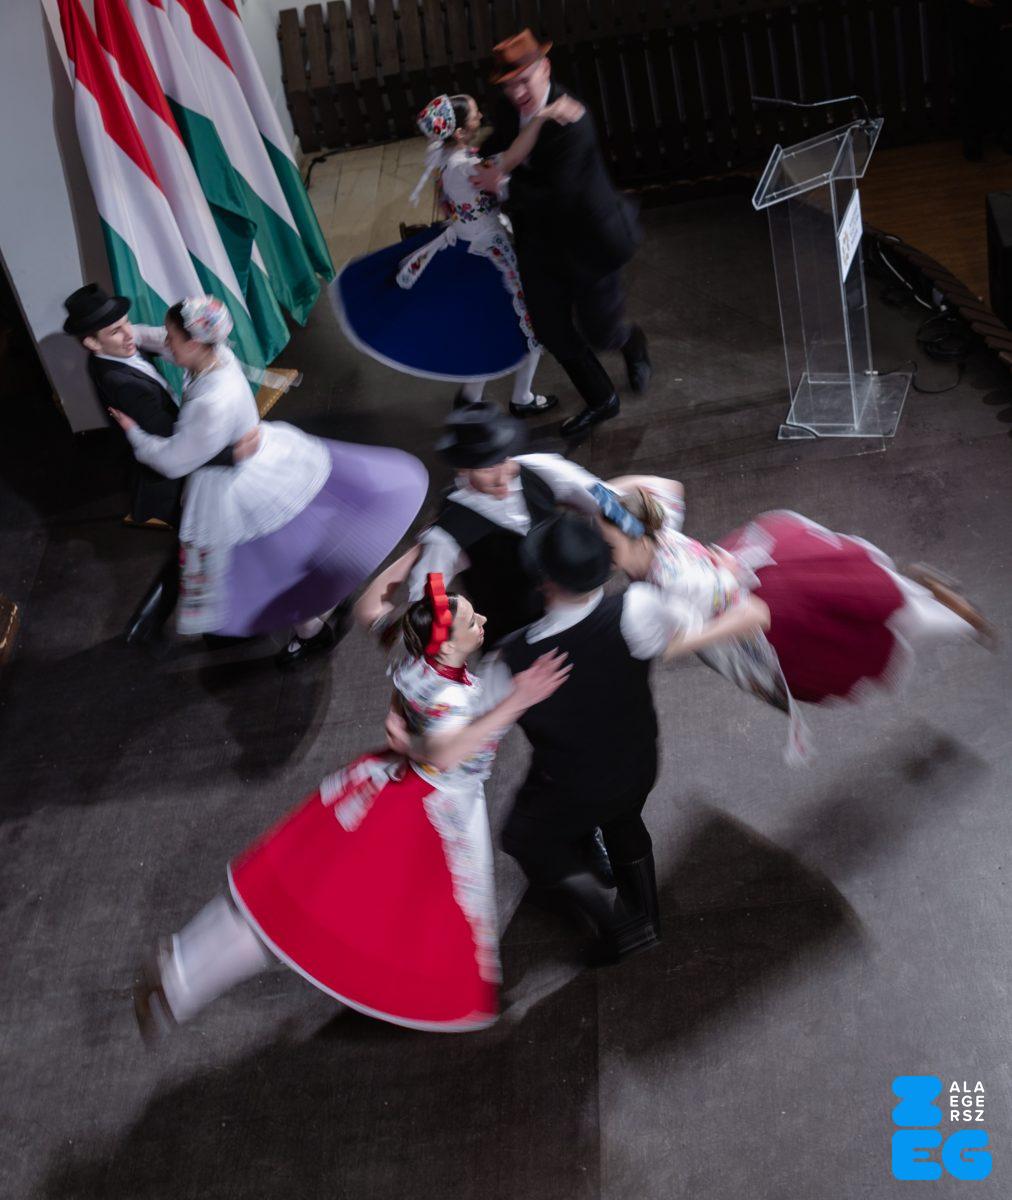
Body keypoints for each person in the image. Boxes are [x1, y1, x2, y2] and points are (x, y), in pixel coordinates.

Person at [132, 574, 570, 1040]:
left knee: (291, 896)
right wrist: (515, 702)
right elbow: (444, 754)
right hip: (427, 813)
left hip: (383, 788)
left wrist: (423, 550)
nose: (481, 620)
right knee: (335, 914)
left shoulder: (415, 658)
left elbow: (369, 610)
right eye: (469, 621)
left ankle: (183, 965)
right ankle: (181, 980)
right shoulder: (447, 695)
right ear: (445, 644)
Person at [389, 515, 683, 964]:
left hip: (572, 786)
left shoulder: (513, 658)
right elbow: (678, 626)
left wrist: (410, 740)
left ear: (545, 581)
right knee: (625, 820)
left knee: (524, 838)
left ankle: (616, 925)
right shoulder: (639, 607)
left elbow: (456, 743)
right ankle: (647, 916)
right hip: (638, 761)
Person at [107, 295, 427, 668]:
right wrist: (131, 335)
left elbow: (173, 460)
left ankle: (312, 631)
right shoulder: (216, 354)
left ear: (193, 343)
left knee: (273, 570)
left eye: (172, 337)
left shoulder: (212, 400)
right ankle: (315, 614)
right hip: (265, 462)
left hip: (236, 489)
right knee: (280, 560)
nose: (166, 342)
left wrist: (134, 434)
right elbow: (160, 340)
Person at [593, 476, 996, 761]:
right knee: (866, 596)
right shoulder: (652, 520)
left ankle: (958, 618)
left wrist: (683, 642)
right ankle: (935, 603)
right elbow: (670, 486)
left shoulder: (679, 581)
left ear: (635, 538)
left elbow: (755, 614)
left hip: (776, 611)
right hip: (761, 568)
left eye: (607, 544)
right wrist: (603, 492)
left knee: (866, 631)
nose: (597, 549)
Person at [331, 91, 583, 418]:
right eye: (475, 115)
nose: (480, 117)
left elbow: (449, 201)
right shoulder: (467, 168)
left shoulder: (444, 157)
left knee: (486, 324)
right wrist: (541, 119)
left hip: (468, 244)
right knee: (531, 319)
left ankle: (472, 396)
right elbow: (509, 164)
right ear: (461, 132)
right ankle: (521, 397)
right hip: (490, 249)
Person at [478, 29, 652, 437]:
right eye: (508, 85)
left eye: (524, 80)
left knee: (600, 331)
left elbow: (561, 196)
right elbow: (498, 144)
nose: (517, 92)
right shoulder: (507, 111)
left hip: (587, 242)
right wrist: (474, 161)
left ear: (545, 68)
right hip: (538, 244)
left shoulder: (572, 119)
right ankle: (602, 400)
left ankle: (632, 342)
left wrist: (501, 185)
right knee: (550, 329)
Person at [64, 283, 260, 644]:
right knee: (201, 546)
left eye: (126, 322)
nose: (129, 334)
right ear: (91, 343)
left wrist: (152, 332)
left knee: (197, 547)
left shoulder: (118, 350)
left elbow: (152, 336)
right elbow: (176, 448)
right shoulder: (122, 383)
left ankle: (155, 622)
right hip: (172, 474)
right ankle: (212, 629)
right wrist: (232, 454)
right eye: (116, 330)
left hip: (182, 455)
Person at [354, 401, 606, 648]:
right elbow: (430, 603)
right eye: (488, 469)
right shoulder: (447, 532)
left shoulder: (540, 468)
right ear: (463, 469)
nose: (502, 478)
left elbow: (606, 498)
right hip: (516, 638)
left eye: (504, 461)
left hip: (579, 611)